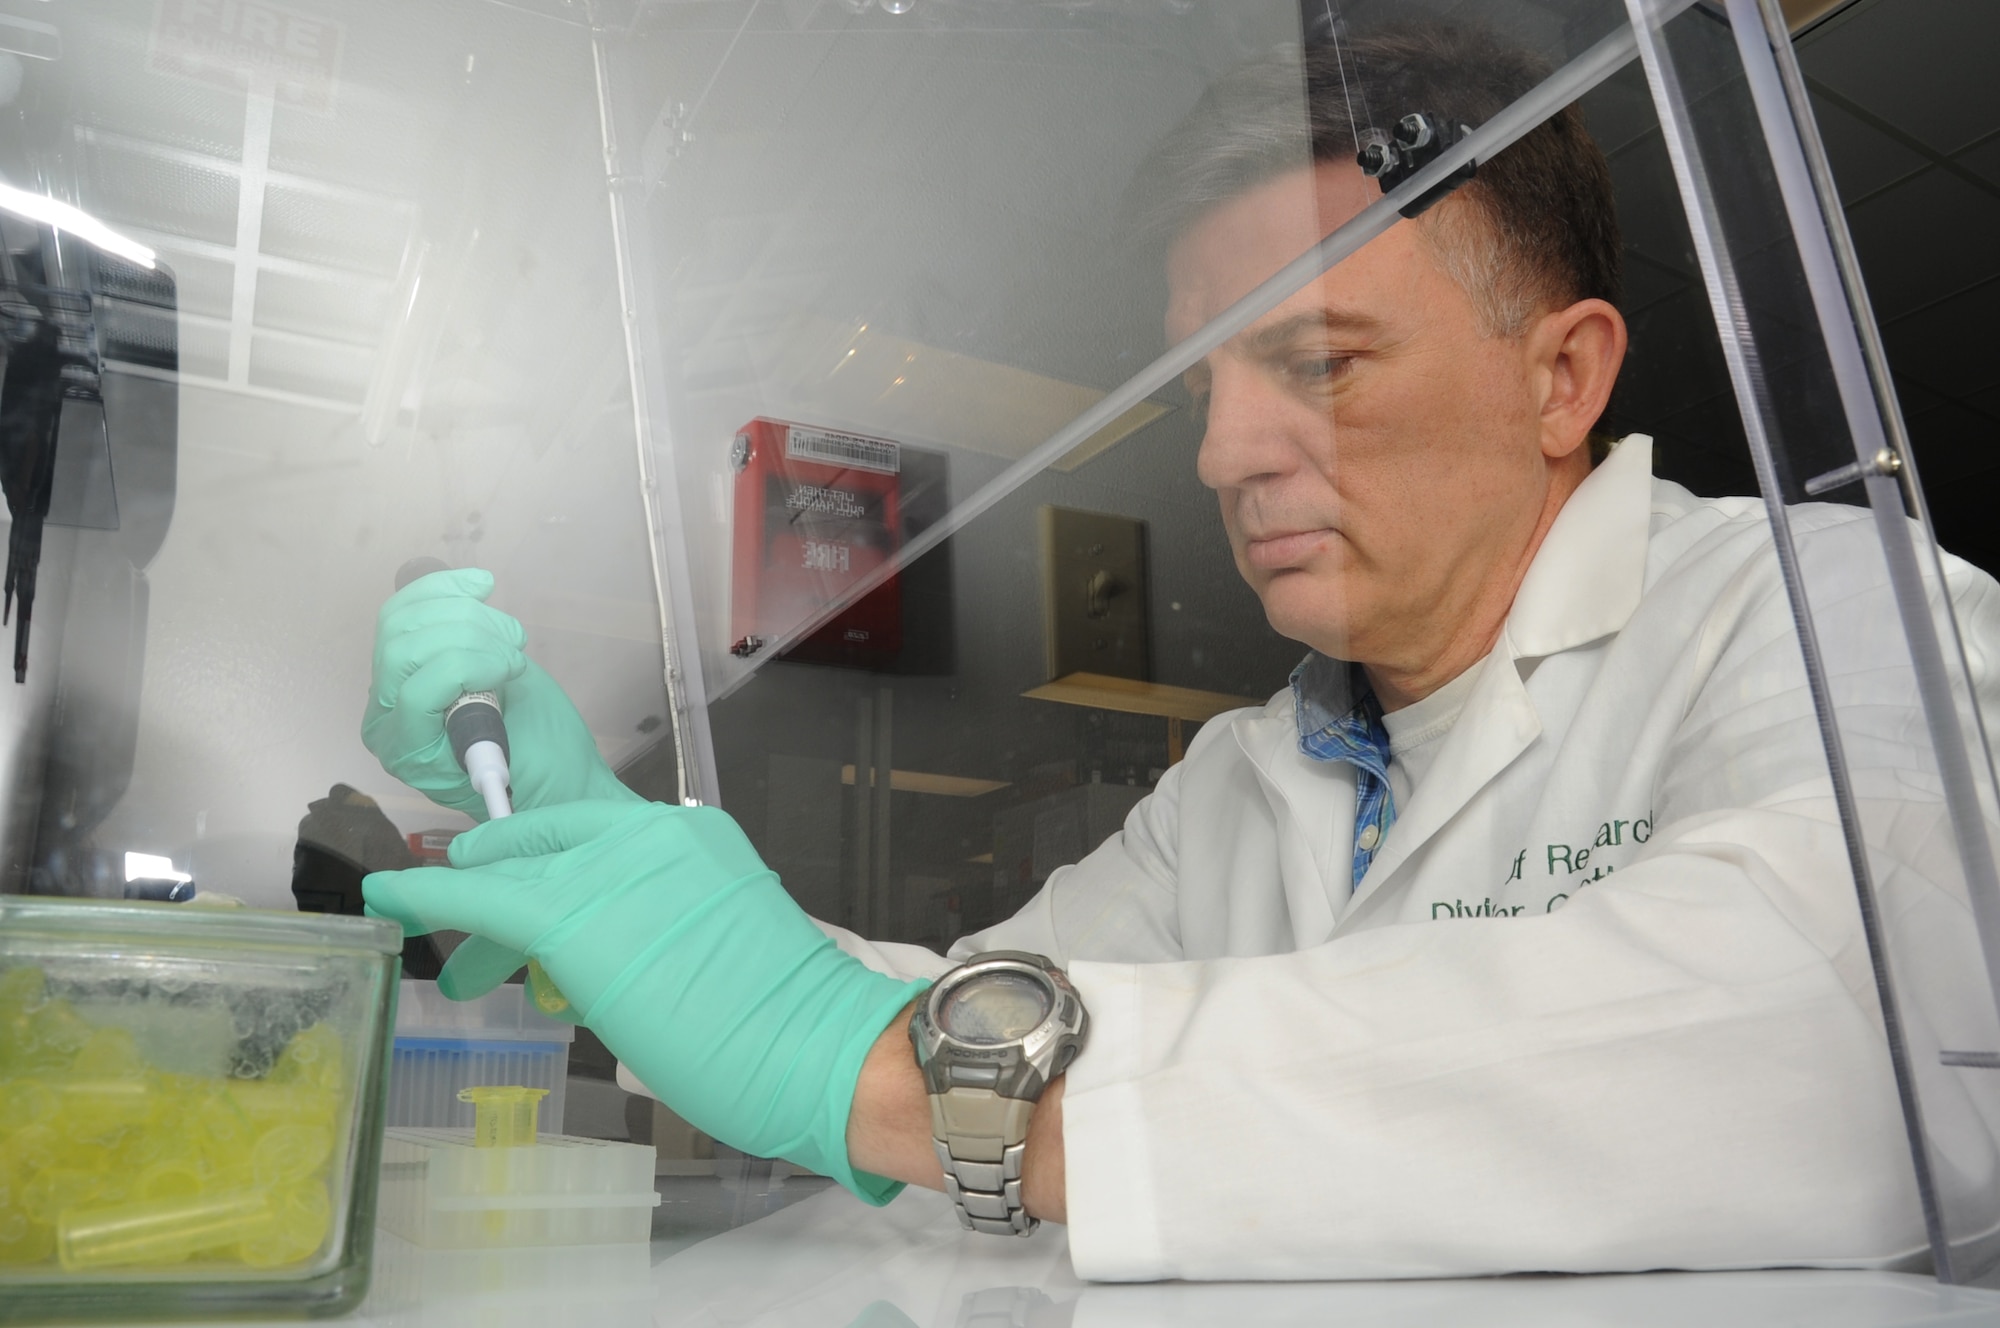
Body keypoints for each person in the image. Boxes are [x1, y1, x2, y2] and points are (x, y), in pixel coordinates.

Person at [360, 25, 2000, 1280]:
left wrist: (857, 1057)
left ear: (1561, 379)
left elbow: (1879, 1020)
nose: (1224, 455)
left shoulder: (1825, 605)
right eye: (1207, 382)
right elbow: (967, 1043)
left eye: (1320, 364)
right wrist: (631, 885)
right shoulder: (1244, 777)